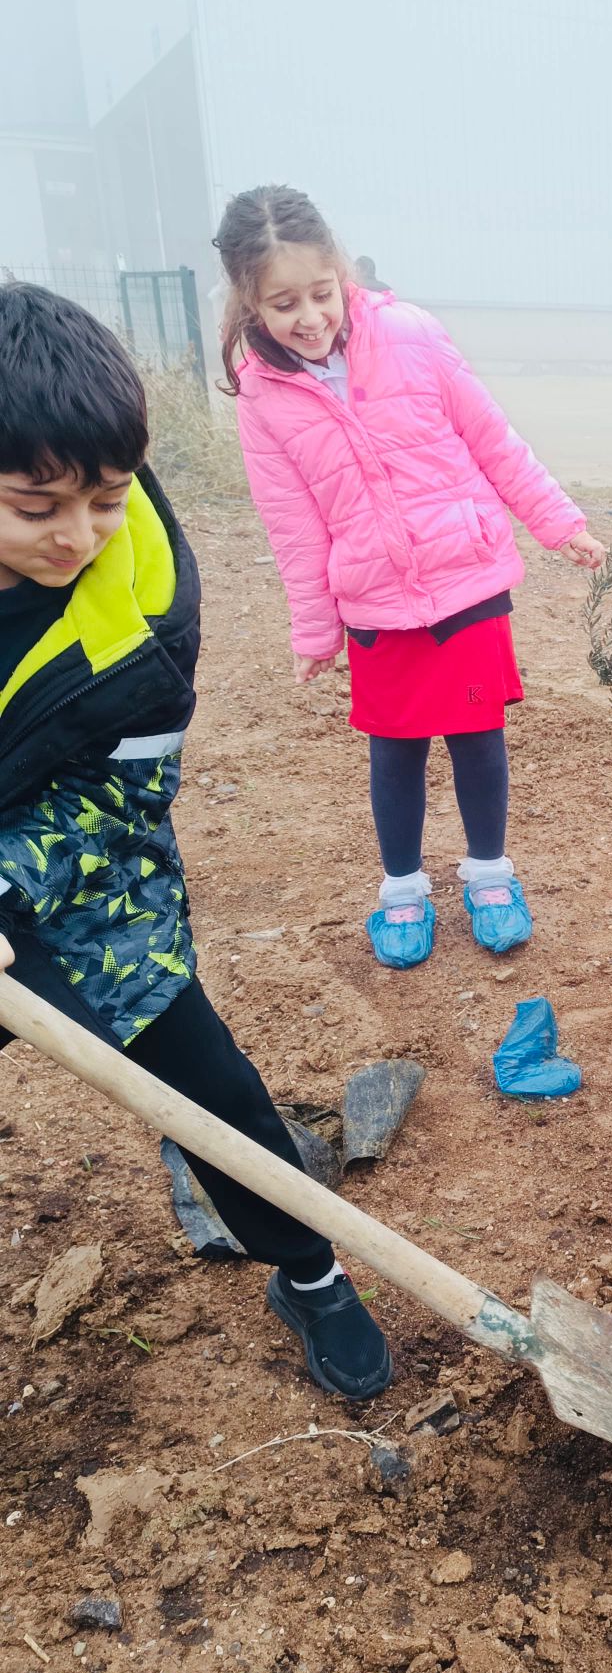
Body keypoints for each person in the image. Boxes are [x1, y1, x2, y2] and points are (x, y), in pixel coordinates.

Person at [0, 282, 392, 1398]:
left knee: (201, 1072)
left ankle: (306, 1265)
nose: (79, 537)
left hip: (79, 848)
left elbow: (114, 811)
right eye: (36, 509)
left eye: (107, 499)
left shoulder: (144, 603)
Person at [214, 184, 605, 968]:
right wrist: (315, 628)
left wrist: (559, 523)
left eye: (321, 293)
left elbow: (492, 439)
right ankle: (401, 889)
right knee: (394, 751)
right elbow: (291, 523)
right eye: (284, 302)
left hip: (465, 577)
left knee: (477, 736)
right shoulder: (261, 393)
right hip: (376, 598)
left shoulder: (414, 334)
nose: (310, 317)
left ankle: (490, 876)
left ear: (341, 272)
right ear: (251, 301)